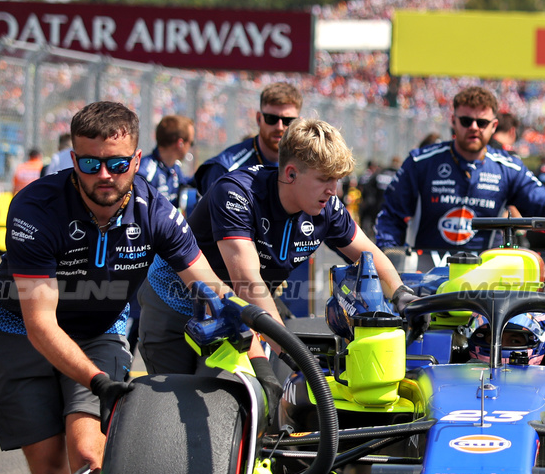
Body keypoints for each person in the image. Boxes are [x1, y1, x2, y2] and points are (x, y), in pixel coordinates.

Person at [0, 102, 227, 474]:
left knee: (90, 456)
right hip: (23, 331)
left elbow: (206, 281)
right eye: (90, 163)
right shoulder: (35, 208)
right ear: (73, 160)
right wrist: (98, 382)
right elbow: (41, 325)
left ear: (136, 160)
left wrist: (247, 322)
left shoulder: (155, 209)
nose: (104, 175)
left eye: (117, 163)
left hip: (100, 329)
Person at [139, 119, 412, 376]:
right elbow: (247, 283)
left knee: (230, 398)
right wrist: (296, 355)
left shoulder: (327, 206)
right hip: (174, 301)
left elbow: (369, 254)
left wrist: (401, 294)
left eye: (337, 179)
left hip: (234, 308)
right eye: (325, 179)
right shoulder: (236, 192)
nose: (334, 190)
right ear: (291, 173)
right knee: (175, 401)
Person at [373, 87, 545, 265]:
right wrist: (389, 253)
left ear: (494, 126)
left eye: (482, 123)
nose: (474, 128)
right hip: (425, 273)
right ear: (454, 121)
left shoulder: (509, 167)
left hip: (483, 278)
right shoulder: (421, 161)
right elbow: (391, 215)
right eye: (466, 121)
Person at [193, 83, 301, 195]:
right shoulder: (226, 169)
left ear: (299, 123)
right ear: (259, 118)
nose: (279, 127)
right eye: (271, 118)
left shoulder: (308, 167)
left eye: (288, 120)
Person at [137, 114, 196, 207]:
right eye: (191, 143)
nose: (190, 147)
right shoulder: (146, 173)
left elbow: (186, 184)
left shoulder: (174, 168)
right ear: (180, 144)